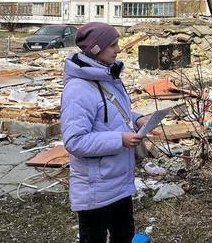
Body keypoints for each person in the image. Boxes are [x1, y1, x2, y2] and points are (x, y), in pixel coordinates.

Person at [61, 23, 150, 243]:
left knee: (124, 237)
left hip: (119, 183)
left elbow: (113, 112)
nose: (118, 49)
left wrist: (137, 117)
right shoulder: (78, 89)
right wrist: (120, 139)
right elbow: (75, 141)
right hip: (96, 190)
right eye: (112, 45)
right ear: (95, 50)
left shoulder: (107, 76)